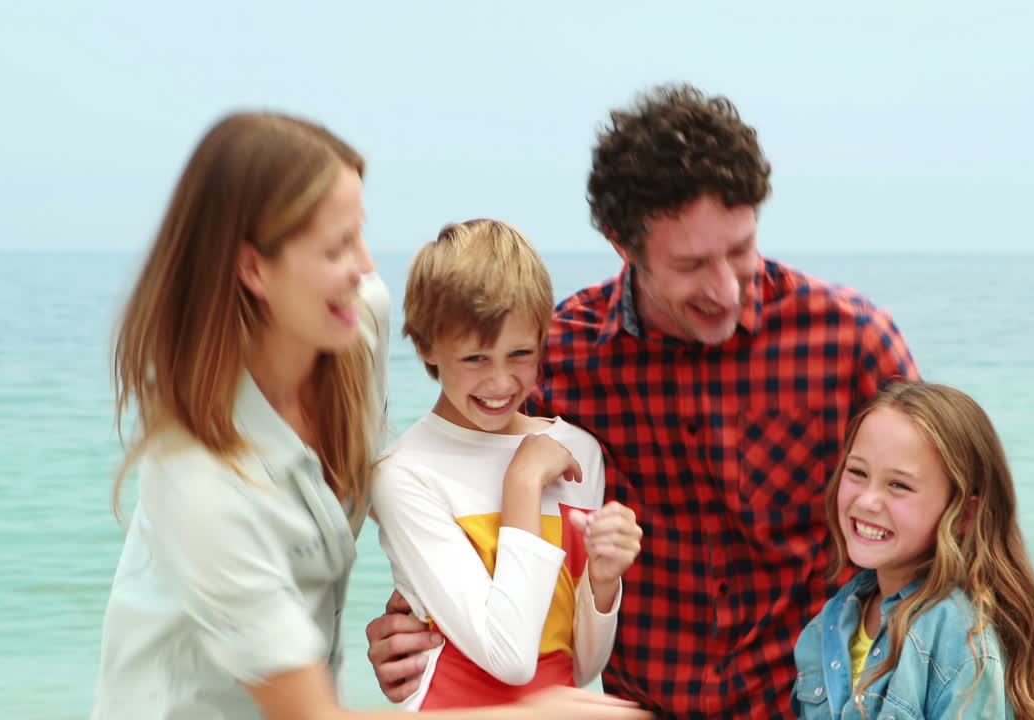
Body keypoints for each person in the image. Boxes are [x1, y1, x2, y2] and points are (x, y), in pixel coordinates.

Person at [365, 85, 917, 720]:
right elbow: (477, 509)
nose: (725, 289)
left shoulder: (851, 343)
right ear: (622, 244)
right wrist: (413, 627)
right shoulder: (555, 359)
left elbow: (954, 536)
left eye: (740, 250)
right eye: (691, 264)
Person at [91, 111, 650, 720]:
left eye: (360, 232)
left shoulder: (360, 322)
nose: (365, 265)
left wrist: (430, 607)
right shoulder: (202, 483)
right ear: (253, 269)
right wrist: (538, 713)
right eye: (336, 247)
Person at [369, 219, 643, 709]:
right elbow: (511, 658)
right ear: (427, 345)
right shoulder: (404, 474)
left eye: (519, 354)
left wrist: (604, 582)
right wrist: (523, 481)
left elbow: (580, 666)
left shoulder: (578, 451)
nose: (500, 382)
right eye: (475, 358)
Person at [792, 380, 1034, 719]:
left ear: (964, 514)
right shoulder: (833, 620)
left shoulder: (958, 637)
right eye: (857, 472)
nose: (867, 500)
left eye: (898, 484)